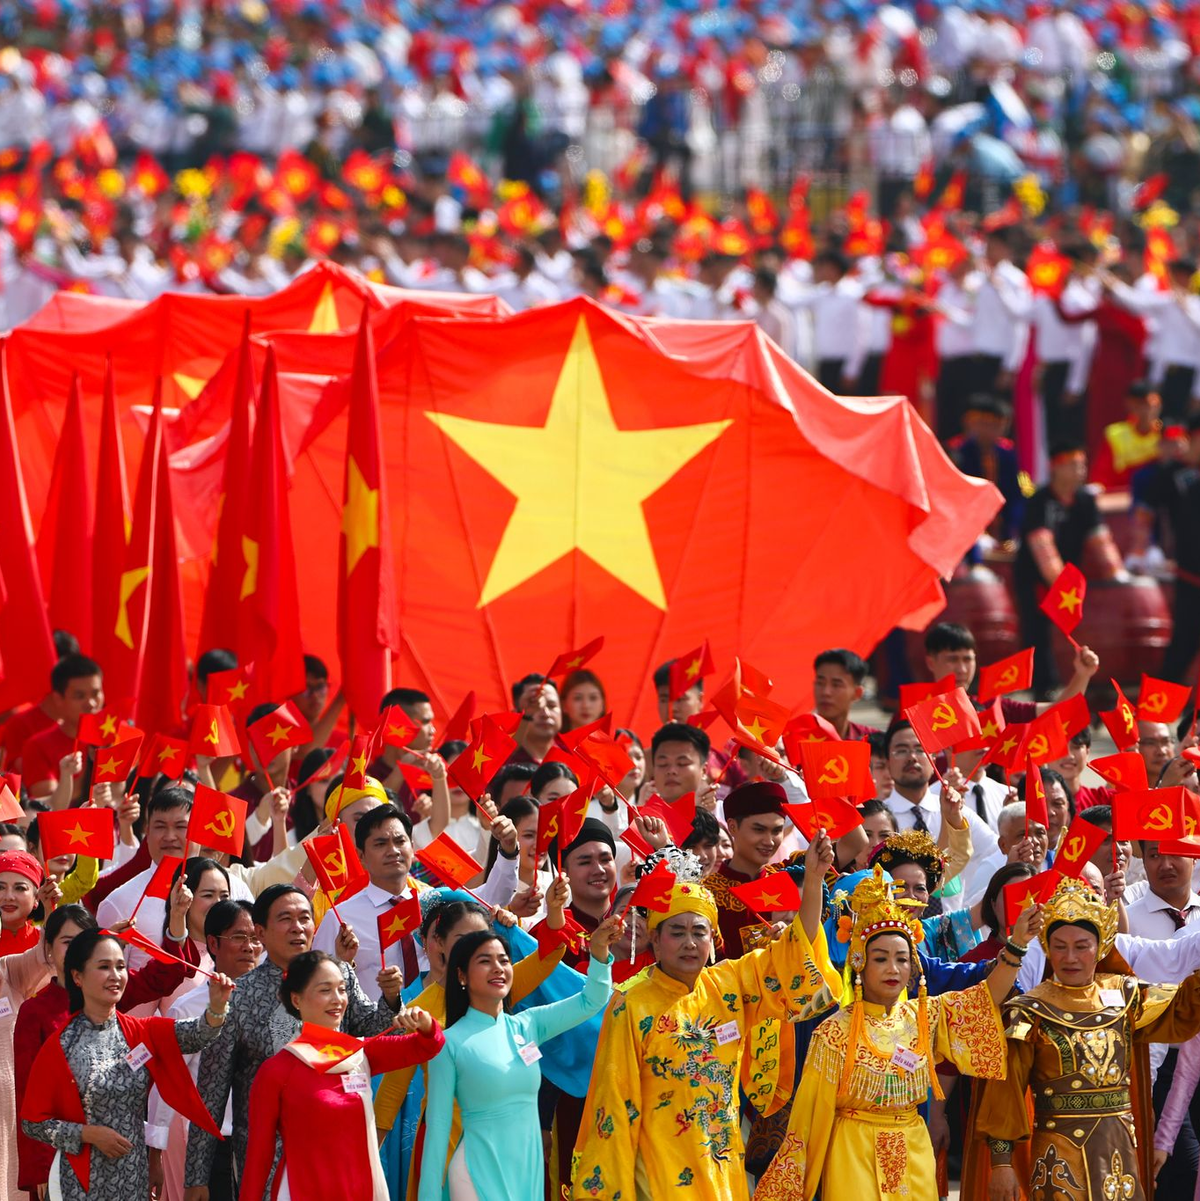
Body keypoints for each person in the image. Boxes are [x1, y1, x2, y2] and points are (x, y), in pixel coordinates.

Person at [570, 833, 841, 1201]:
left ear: (713, 939)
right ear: (655, 937)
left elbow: (795, 955)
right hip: (658, 1166)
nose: (689, 943)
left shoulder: (728, 984)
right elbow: (615, 1101)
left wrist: (813, 880)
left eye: (699, 932)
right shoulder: (631, 1002)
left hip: (720, 1159)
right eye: (677, 932)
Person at [754, 863, 1040, 1200]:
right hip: (852, 1152)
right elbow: (808, 1121)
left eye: (902, 959)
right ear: (859, 962)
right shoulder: (833, 1033)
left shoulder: (925, 1016)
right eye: (880, 959)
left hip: (913, 1151)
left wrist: (1017, 947)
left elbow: (985, 998)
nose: (893, 968)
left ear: (913, 966)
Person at [976, 872, 1200, 1201]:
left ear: (1099, 948)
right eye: (1060, 947)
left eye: (1081, 947)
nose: (1070, 957)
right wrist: (1001, 1164)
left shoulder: (1126, 995)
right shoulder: (1029, 1011)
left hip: (1118, 1150)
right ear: (1047, 950)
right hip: (1057, 1154)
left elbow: (1180, 1012)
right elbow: (1006, 1091)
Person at [184, 884, 400, 1198]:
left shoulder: (339, 976)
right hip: (267, 1160)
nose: (297, 927)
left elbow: (375, 1032)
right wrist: (196, 1177)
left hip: (337, 1151)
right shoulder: (240, 996)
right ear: (260, 932)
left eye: (304, 918)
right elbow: (211, 1091)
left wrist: (392, 1000)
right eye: (285, 918)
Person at [373, 889, 568, 1198]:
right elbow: (391, 1092)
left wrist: (554, 910)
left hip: (503, 1146)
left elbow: (552, 952)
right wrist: (367, 1162)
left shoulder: (501, 985)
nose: (476, 946)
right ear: (439, 944)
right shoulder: (421, 1011)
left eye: (482, 937)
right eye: (465, 939)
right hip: (444, 1143)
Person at [418, 911, 621, 1201]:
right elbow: (438, 1128)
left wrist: (600, 951)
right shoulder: (449, 1043)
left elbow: (593, 999)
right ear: (461, 975)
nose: (498, 968)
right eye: (484, 961)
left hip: (527, 1168)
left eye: (503, 960)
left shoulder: (528, 1025)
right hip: (476, 1172)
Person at [20, 927, 234, 1201]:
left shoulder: (140, 1032)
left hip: (132, 1178)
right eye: (104, 966)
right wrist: (89, 1134)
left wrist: (216, 1007)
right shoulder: (61, 1045)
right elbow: (33, 1123)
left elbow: (197, 1035)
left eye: (121, 966)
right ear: (77, 977)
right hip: (79, 1183)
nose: (116, 975)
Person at [240, 951, 444, 1201]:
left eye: (342, 989)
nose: (337, 1000)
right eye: (325, 990)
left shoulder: (360, 1054)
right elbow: (259, 1156)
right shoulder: (276, 1071)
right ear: (296, 999)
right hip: (301, 1192)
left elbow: (429, 1045)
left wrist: (424, 1022)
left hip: (361, 1191)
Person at [148, 899, 261, 1201]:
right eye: (239, 937)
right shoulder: (188, 1008)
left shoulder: (280, 1002)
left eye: (255, 938)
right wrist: (155, 1151)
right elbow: (166, 1084)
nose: (250, 947)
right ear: (213, 942)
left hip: (266, 1145)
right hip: (215, 1149)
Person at [1014, 444, 1124, 697]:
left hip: (1068, 579)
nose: (1081, 470)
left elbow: (1100, 538)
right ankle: (1043, 687)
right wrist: (1060, 580)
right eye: (1074, 465)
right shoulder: (1040, 500)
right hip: (1036, 577)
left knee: (1071, 627)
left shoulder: (1085, 499)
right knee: (1037, 629)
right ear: (1057, 467)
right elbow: (1041, 544)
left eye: (1082, 464)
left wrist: (1115, 573)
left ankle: (1080, 681)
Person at [312, 803, 427, 998]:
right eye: (380, 844)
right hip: (373, 1027)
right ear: (361, 856)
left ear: (412, 848)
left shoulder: (433, 903)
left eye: (400, 841)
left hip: (434, 1024)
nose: (393, 851)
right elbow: (318, 983)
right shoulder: (340, 918)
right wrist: (345, 963)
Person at [0, 858, 58, 1199]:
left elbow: (45, 955)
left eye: (19, 887)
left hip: (21, 1094)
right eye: (0, 887)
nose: (8, 896)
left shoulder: (9, 970)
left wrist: (52, 913)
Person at [21, 654, 105, 803]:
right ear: (58, 699)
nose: (91, 704)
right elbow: (49, 806)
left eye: (96, 693)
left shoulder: (116, 738)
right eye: (79, 696)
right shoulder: (38, 746)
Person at [812, 649, 879, 740]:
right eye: (820, 683)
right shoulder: (793, 738)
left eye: (836, 685)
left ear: (857, 693)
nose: (826, 692)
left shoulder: (870, 741)